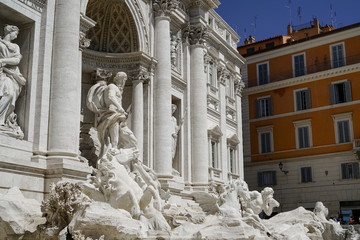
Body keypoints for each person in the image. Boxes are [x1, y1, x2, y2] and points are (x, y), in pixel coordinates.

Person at [0, 25, 26, 133]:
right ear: (10, 32)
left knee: (10, 94)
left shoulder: (15, 46)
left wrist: (2, 61)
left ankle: (2, 119)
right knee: (8, 94)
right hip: (2, 73)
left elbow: (16, 60)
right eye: (15, 33)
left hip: (11, 74)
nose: (16, 37)